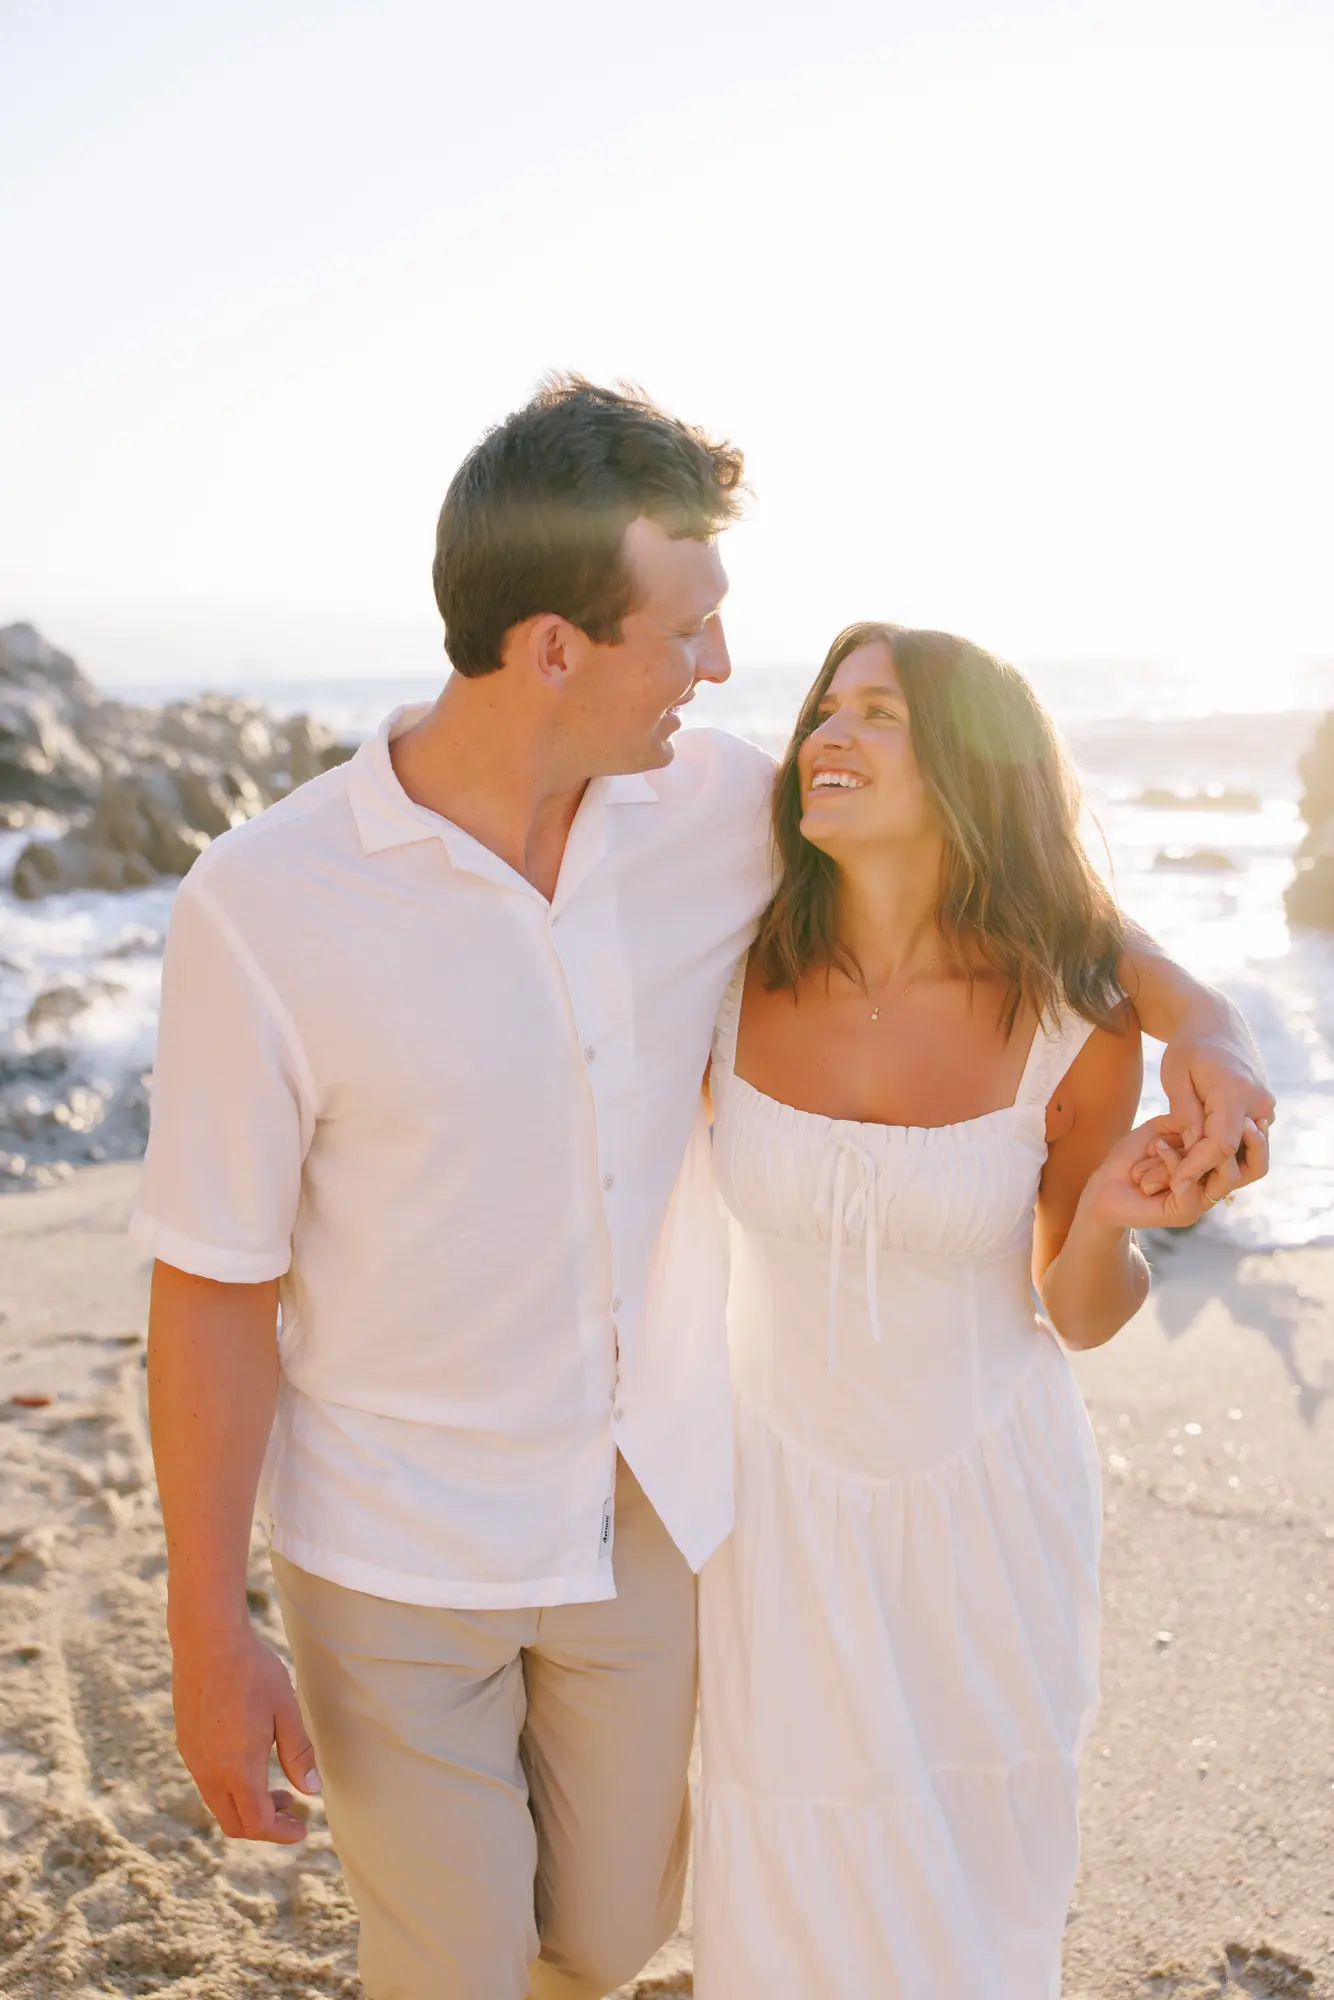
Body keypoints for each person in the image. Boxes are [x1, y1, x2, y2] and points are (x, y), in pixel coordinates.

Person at [137, 379, 1272, 2000]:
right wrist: (205, 1626)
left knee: (603, 1938)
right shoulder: (266, 905)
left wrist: (1205, 1020)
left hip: (647, 1512)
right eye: (689, 632)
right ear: (553, 649)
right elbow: (212, 1281)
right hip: (394, 1536)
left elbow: (1018, 880)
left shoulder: (721, 812)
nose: (733, 674)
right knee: (453, 1958)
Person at [693, 623, 1267, 1998]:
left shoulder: (1077, 1027)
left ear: (967, 771)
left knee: (976, 1878)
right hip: (770, 1504)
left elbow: (1072, 1312)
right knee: (781, 1863)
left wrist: (1119, 1219)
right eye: (824, 709)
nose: (827, 735)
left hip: (986, 1507)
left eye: (877, 713)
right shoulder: (718, 965)